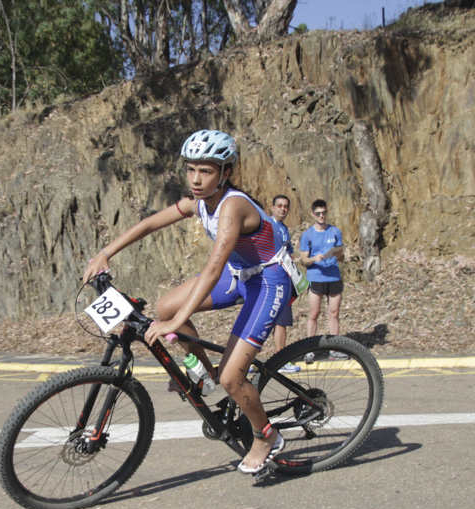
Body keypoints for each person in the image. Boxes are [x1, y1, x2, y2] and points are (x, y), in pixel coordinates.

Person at [82, 129, 292, 475]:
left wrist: (175, 324)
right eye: (191, 169)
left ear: (225, 173)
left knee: (231, 378)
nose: (196, 179)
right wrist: (104, 254)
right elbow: (151, 222)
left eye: (206, 171)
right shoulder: (200, 201)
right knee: (164, 307)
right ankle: (207, 377)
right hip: (241, 273)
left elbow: (212, 269)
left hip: (268, 281)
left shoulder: (232, 206)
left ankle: (266, 435)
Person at [298, 199, 345, 360]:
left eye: (323, 213)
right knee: (314, 313)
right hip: (316, 277)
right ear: (312, 214)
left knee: (334, 313)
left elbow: (342, 256)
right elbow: (303, 261)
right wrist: (313, 259)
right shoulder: (308, 235)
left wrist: (339, 254)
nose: (321, 216)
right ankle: (309, 349)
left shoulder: (334, 232)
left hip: (333, 276)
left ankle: (334, 348)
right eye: (318, 213)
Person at [269, 195, 299, 374]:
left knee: (281, 322)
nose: (282, 209)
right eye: (279, 206)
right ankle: (246, 359)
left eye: (286, 206)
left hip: (285, 278)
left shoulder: (284, 229)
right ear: (272, 207)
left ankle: (280, 359)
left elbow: (289, 254)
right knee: (261, 322)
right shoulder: (267, 225)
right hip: (271, 279)